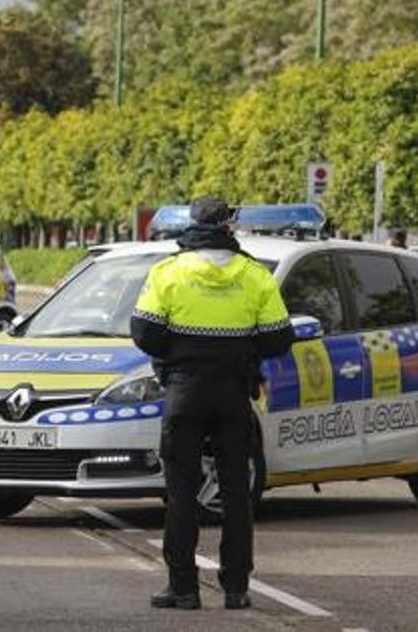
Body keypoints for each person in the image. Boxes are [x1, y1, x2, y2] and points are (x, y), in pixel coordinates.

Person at [129, 197, 294, 611]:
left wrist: (178, 354)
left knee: (181, 492)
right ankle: (236, 588)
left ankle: (183, 588)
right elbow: (279, 337)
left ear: (192, 224)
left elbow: (144, 333)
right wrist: (243, 352)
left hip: (184, 392)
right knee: (236, 492)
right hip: (233, 394)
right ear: (229, 226)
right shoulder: (254, 274)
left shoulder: (168, 271)